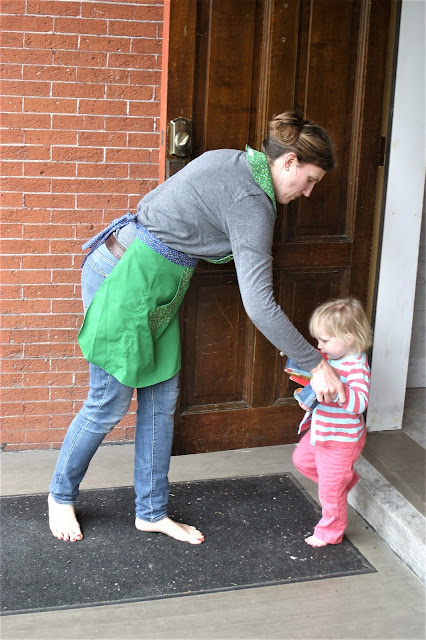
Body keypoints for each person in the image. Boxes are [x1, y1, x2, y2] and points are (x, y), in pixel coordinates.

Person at [48, 110, 345, 544]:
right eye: (311, 179)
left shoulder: (234, 161)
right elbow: (259, 304)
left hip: (156, 288)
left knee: (161, 399)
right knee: (108, 402)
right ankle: (60, 495)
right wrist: (315, 364)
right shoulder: (252, 202)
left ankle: (151, 512)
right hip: (125, 278)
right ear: (289, 162)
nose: (309, 192)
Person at [292, 298, 372, 547]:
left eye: (325, 340)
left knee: (329, 491)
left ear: (348, 338)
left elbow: (360, 403)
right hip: (322, 431)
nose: (319, 345)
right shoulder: (330, 360)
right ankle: (341, 484)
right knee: (301, 461)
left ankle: (330, 532)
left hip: (341, 440)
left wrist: (339, 388)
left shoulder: (356, 366)